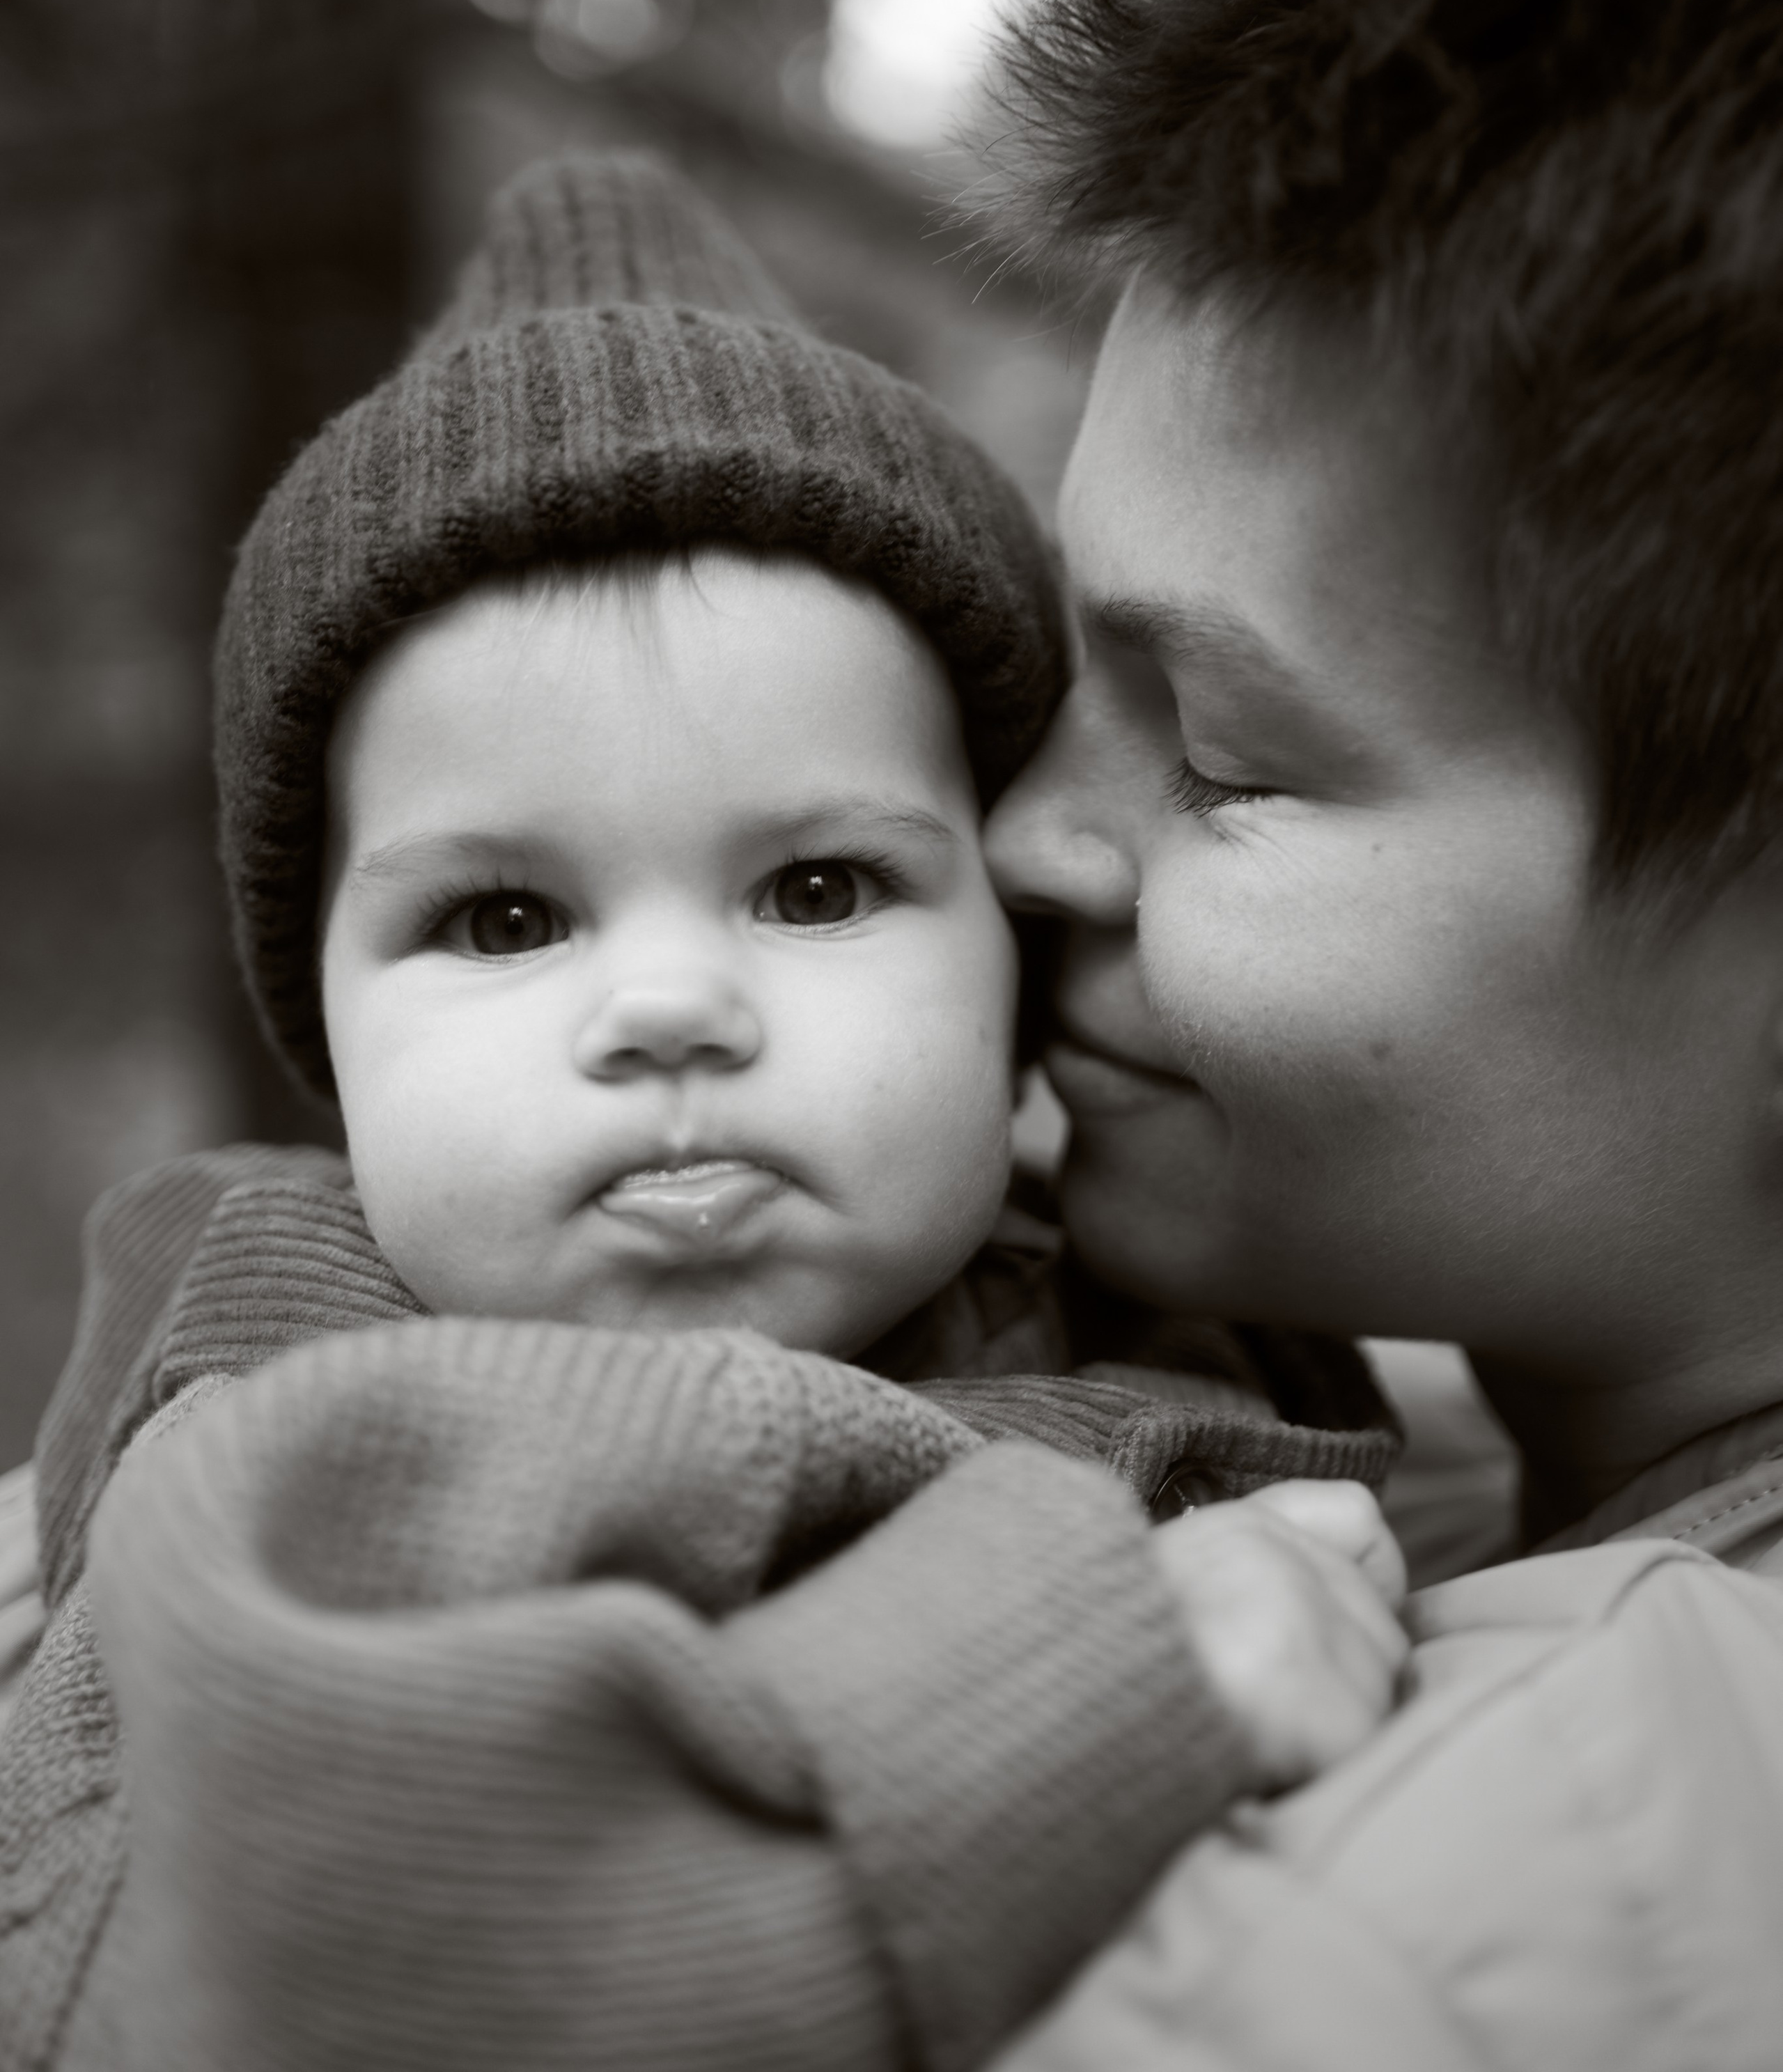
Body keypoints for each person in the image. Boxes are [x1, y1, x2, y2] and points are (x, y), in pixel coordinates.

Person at [0, 150, 1405, 2072]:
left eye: (817, 889)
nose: (668, 1008)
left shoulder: (1128, 1309)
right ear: (321, 1022)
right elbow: (347, 1954)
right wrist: (1115, 1672)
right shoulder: (316, 1400)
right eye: (503, 917)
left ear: (1011, 941)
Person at [967, 0, 1783, 2068]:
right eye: (1068, 669)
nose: (1030, 832)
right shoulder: (1401, 1486)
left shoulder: (1443, 1900)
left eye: (1222, 757)